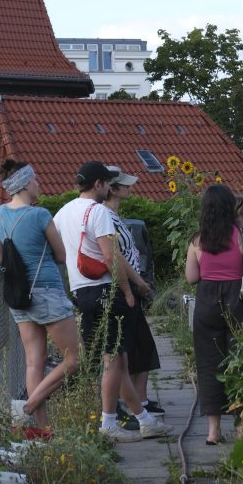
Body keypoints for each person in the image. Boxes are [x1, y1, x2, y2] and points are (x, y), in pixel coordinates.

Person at [54, 161, 172, 442]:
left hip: (82, 291)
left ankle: (143, 419)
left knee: (115, 359)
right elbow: (111, 257)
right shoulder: (98, 212)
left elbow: (58, 252)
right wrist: (130, 290)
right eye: (107, 183)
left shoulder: (62, 213)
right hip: (107, 290)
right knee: (113, 360)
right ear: (98, 185)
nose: (109, 187)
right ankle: (109, 424)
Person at [0, 159, 80, 431]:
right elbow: (62, 255)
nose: (39, 185)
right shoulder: (40, 216)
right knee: (73, 359)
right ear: (26, 184)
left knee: (33, 363)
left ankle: (42, 431)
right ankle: (27, 408)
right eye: (36, 181)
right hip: (47, 292)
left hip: (19, 296)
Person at [185, 184, 243, 446]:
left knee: (209, 363)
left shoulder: (198, 241)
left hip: (207, 301)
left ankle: (213, 431)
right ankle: (242, 425)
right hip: (240, 299)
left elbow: (191, 278)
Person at [104, 166, 164, 429]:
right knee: (127, 350)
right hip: (123, 288)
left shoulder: (115, 216)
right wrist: (133, 285)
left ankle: (139, 400)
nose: (130, 188)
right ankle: (132, 405)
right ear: (112, 189)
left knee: (142, 346)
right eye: (124, 185)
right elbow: (114, 256)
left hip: (131, 286)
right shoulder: (106, 217)